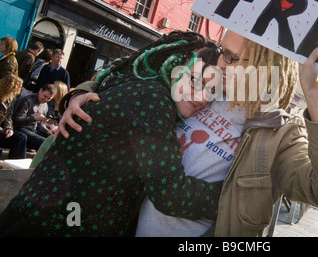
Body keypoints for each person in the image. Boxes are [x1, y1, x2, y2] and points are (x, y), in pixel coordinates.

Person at [58, 29, 318, 237]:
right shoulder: (200, 82)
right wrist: (84, 92)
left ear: (265, 62)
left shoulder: (281, 133)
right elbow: (137, 72)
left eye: (233, 57)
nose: (222, 61)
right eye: (223, 51)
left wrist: (316, 97)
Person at [0, 31, 226, 237]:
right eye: (195, 80)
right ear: (170, 64)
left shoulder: (136, 86)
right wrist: (231, 197)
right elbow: (170, 194)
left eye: (212, 89)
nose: (203, 97)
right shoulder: (152, 100)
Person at [11, 83, 57, 151]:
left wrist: (47, 131)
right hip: (22, 128)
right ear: (40, 90)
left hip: (34, 130)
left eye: (49, 99)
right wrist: (34, 118)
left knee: (52, 140)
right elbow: (17, 120)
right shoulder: (27, 100)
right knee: (44, 142)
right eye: (45, 96)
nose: (46, 100)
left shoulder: (45, 105)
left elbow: (41, 124)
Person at [0, 74, 27, 159]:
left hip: (2, 129)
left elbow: (8, 116)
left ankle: (16, 163)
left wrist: (9, 128)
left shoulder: (10, 99)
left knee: (21, 137)